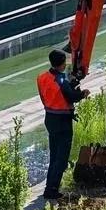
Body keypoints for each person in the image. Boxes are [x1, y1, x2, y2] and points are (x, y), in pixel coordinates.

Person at [37, 49, 89, 200]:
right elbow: (71, 96)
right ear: (62, 64)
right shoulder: (61, 81)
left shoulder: (42, 77)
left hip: (50, 118)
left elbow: (49, 94)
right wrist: (83, 93)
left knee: (54, 155)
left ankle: (49, 187)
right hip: (63, 121)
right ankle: (52, 190)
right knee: (61, 157)